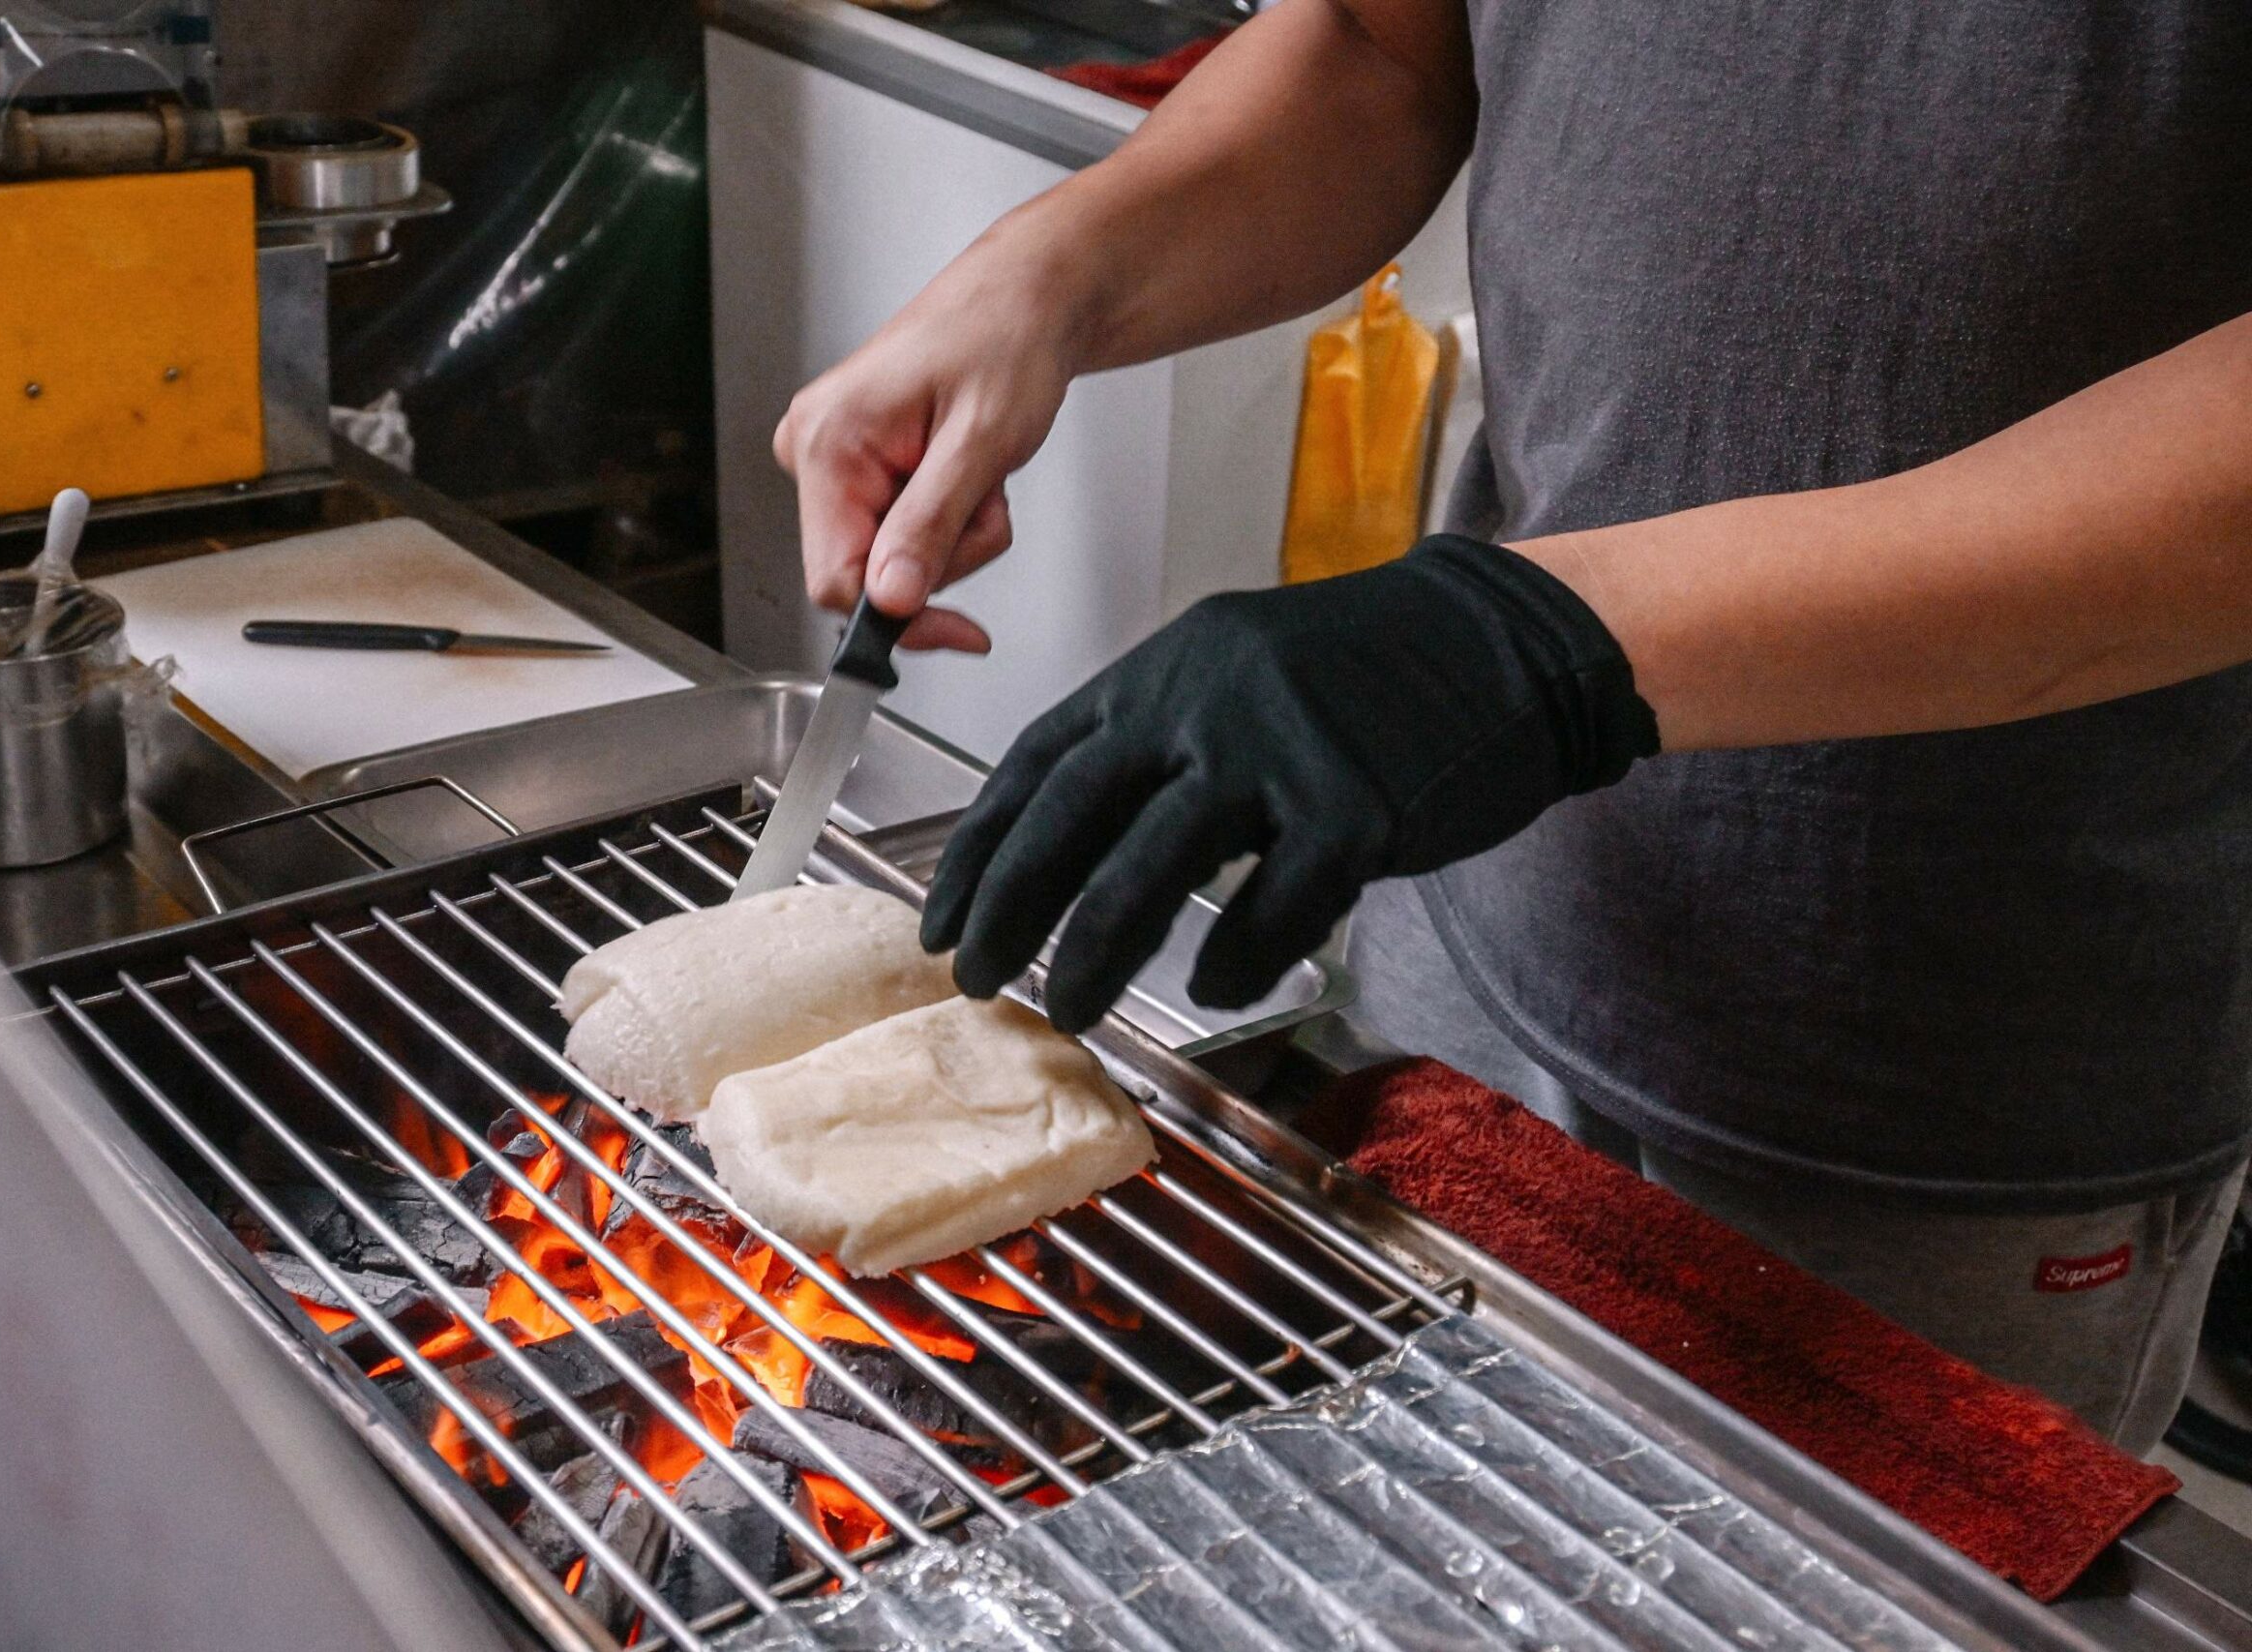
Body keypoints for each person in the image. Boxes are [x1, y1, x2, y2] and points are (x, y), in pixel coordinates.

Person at [771, 0, 2252, 1452]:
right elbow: (1377, 49)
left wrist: (1549, 639)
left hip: (1958, 1079)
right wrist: (1046, 275)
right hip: (1480, 913)